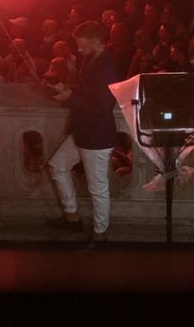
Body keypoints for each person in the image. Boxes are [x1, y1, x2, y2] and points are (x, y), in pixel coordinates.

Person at [46, 20, 119, 245]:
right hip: (83, 132)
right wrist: (69, 90)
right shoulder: (91, 59)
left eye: (81, 44)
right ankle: (72, 217)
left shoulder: (107, 67)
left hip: (96, 135)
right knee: (57, 166)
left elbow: (103, 106)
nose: (77, 48)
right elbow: (88, 93)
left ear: (96, 41)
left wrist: (71, 98)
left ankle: (100, 235)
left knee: (97, 188)